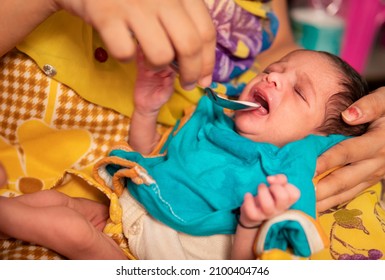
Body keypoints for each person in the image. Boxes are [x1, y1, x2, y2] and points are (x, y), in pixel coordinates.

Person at [0, 0, 384, 259]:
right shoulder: (215, 123)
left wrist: (253, 223)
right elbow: (151, 158)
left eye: (298, 90)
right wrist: (147, 110)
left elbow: (248, 265)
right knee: (58, 206)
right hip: (119, 210)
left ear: (318, 141)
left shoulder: (285, 175)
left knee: (73, 234)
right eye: (273, 71)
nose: (272, 79)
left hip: (135, 257)